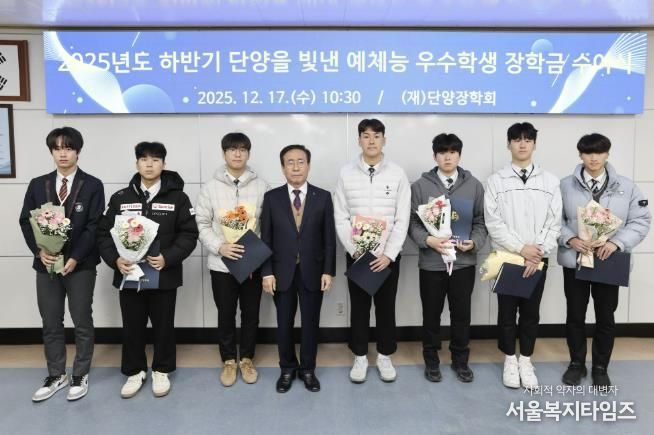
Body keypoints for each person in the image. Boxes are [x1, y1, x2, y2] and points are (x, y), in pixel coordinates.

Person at [97, 141, 198, 398]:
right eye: (144, 159)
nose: (149, 164)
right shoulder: (121, 198)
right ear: (137, 164)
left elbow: (189, 234)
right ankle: (134, 371)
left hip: (163, 274)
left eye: (155, 160)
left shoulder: (178, 197)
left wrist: (168, 257)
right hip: (129, 274)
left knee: (164, 325)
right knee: (132, 325)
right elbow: (103, 233)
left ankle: (162, 370)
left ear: (164, 164)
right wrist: (115, 260)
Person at [558, 133, 651, 387]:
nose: (593, 158)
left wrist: (616, 243)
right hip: (576, 259)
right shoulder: (565, 186)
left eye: (599, 152)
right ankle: (576, 364)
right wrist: (570, 239)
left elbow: (641, 220)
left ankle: (600, 367)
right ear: (580, 155)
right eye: (588, 152)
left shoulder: (627, 187)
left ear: (607, 154)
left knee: (606, 317)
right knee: (575, 315)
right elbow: (553, 220)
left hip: (609, 260)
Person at [19, 127, 104, 402]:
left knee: (82, 320)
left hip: (81, 265)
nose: (63, 153)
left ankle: (80, 374)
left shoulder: (93, 185)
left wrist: (76, 257)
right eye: (57, 148)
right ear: (51, 152)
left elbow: (94, 226)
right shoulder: (37, 184)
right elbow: (26, 221)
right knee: (51, 321)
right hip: (47, 265)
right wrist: (39, 252)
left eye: (68, 148)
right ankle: (56, 374)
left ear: (78, 151)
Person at [484, 122, 561, 390]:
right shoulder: (496, 181)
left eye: (528, 139)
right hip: (508, 257)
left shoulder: (550, 181)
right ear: (508, 144)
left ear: (534, 144)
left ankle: (526, 360)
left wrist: (536, 252)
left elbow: (554, 222)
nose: (522, 144)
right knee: (506, 313)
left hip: (537, 258)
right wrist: (521, 249)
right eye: (517, 139)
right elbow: (493, 222)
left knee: (530, 312)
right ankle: (509, 360)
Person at [334, 118, 411, 383]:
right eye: (366, 136)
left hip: (388, 257)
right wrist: (354, 250)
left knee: (386, 307)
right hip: (357, 255)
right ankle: (360, 356)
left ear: (384, 140)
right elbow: (341, 216)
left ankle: (385, 356)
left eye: (376, 136)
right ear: (359, 140)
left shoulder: (397, 173)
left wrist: (389, 254)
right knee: (359, 307)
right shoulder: (346, 173)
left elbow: (402, 218)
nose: (371, 141)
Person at [408, 133, 487, 383]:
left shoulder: (474, 185)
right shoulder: (420, 187)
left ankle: (460, 360)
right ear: (435, 156)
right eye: (442, 152)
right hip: (432, 263)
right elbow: (412, 223)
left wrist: (474, 242)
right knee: (431, 315)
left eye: (452, 152)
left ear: (459, 155)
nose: (448, 157)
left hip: (463, 263)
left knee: (461, 315)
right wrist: (428, 240)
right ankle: (431, 361)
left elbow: (480, 221)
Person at [260, 144, 336, 393]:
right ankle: (287, 369)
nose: (295, 167)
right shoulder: (272, 198)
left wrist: (328, 271)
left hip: (313, 272)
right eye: (290, 162)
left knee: (311, 323)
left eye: (300, 161)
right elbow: (266, 239)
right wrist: (267, 272)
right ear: (283, 168)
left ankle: (308, 370)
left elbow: (329, 239)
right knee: (284, 323)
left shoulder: (323, 196)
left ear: (308, 166)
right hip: (281, 272)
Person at [195, 132, 269, 387]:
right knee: (225, 313)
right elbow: (201, 223)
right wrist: (220, 247)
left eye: (242, 149)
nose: (237, 154)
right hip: (221, 264)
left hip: (251, 265)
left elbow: (267, 226)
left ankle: (246, 359)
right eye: (232, 149)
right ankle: (228, 360)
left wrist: (256, 253)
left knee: (251, 313)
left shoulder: (262, 187)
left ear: (248, 153)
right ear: (224, 153)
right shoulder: (210, 187)